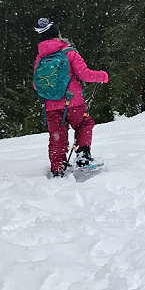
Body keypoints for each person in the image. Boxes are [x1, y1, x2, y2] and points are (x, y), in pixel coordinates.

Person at [33, 17, 109, 177]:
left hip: (51, 106)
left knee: (57, 137)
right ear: (57, 35)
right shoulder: (69, 53)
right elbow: (85, 74)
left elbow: (36, 84)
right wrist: (102, 76)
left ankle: (57, 167)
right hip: (73, 102)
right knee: (84, 124)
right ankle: (82, 157)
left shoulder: (41, 58)